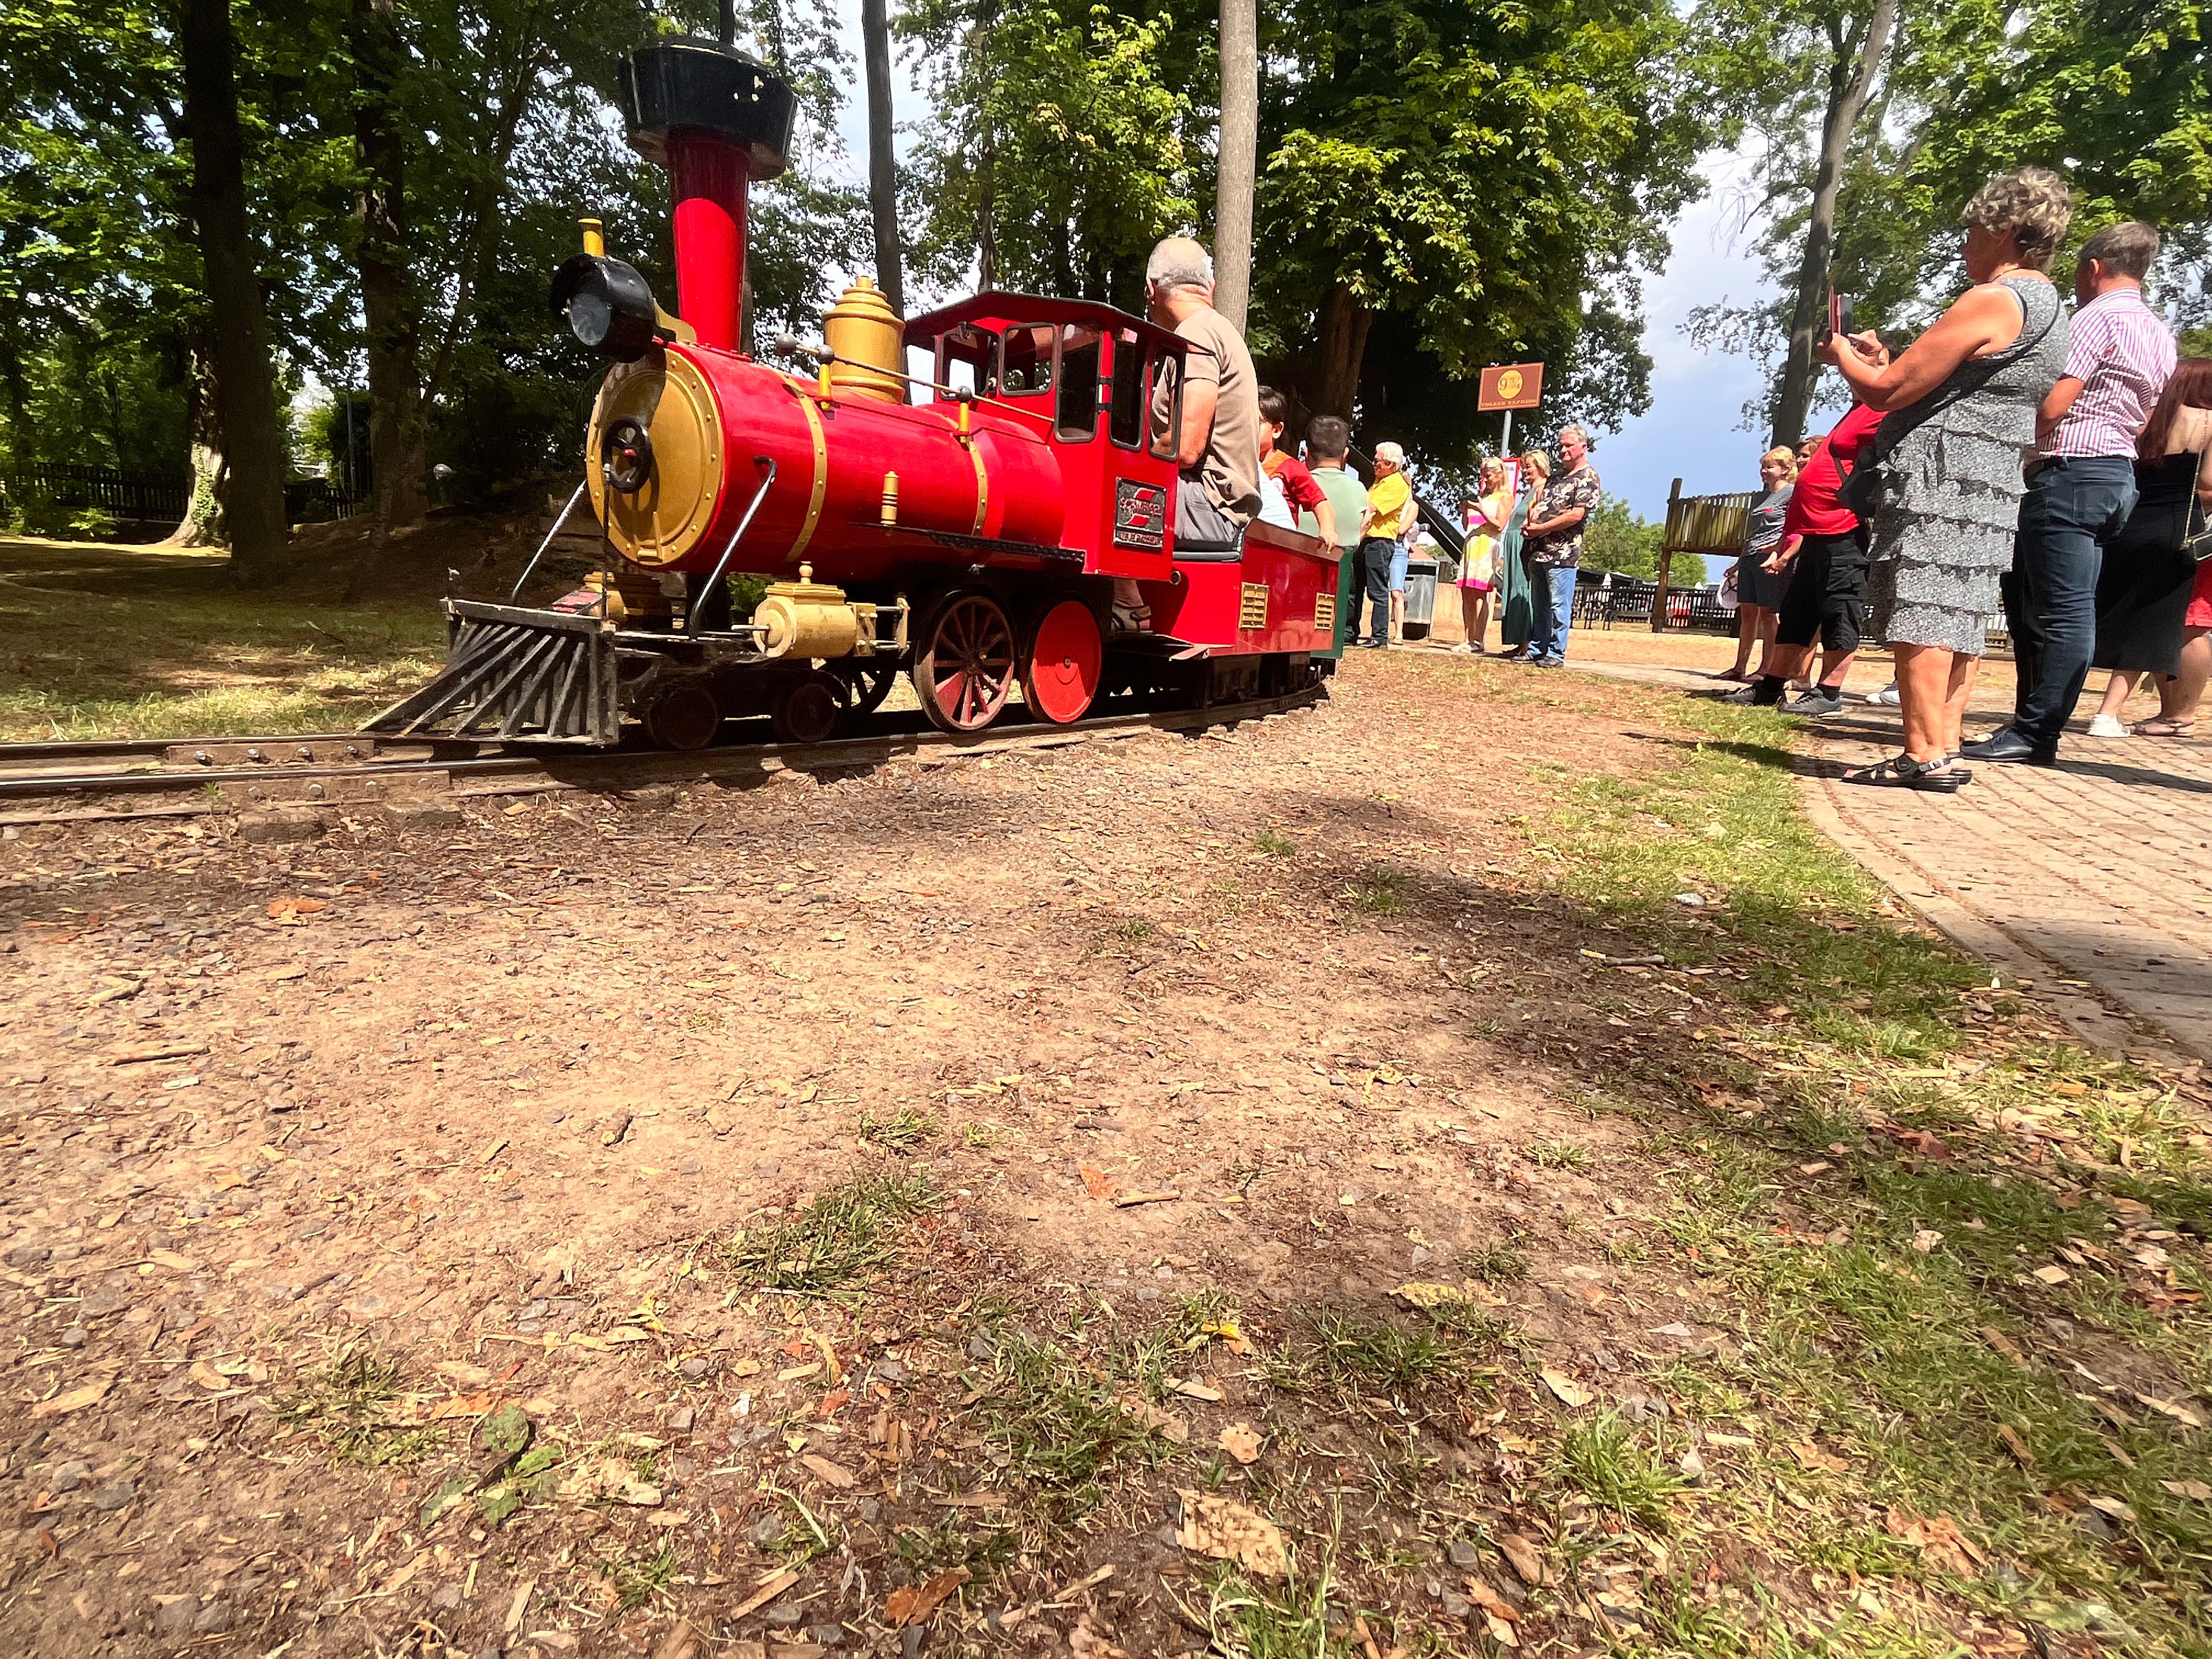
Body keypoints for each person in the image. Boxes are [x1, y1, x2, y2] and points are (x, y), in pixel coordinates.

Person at [1821, 166, 2074, 789]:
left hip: (1941, 473)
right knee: (1958, 611)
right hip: (1989, 478)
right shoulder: (2053, 309)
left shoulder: (1994, 298)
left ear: (2007, 229)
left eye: (1971, 230)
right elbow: (2012, 399)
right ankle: (1945, 746)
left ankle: (1921, 753)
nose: (1963, 244)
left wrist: (1843, 356)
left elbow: (1887, 393)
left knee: (1921, 609)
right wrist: (1884, 363)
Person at [1967, 221, 2175, 764]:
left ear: (2094, 269)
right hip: (2116, 476)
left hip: (2069, 472)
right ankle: (2036, 727)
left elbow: (2054, 406)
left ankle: (2037, 732)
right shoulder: (2159, 334)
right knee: (2071, 610)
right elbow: (2146, 417)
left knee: (2063, 615)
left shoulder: (2091, 320)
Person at [1126, 237, 1261, 631]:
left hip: (1209, 506)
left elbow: (1185, 448)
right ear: (1211, 288)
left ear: (1151, 290)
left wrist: (1133, 456)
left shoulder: (1198, 335)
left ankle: (1126, 604)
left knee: (1097, 491)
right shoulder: (1217, 329)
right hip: (1213, 505)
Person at [2083, 357, 2212, 738]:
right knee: (2166, 623)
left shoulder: (2146, 420)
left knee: (2121, 616)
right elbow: (2207, 482)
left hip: (2127, 525)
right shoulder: (2207, 424)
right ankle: (2113, 714)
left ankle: (2157, 712)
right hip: (2176, 531)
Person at [1739, 400, 1884, 712]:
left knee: (1840, 611)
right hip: (1815, 539)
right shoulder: (1857, 410)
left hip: (1845, 532)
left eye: (1808, 455)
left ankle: (1829, 693)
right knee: (1797, 613)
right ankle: (1771, 687)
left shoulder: (1885, 406)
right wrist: (1783, 545)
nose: (1802, 460)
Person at [1521, 426, 1600, 667]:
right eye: (1560, 446)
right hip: (1539, 551)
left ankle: (1556, 654)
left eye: (1569, 445)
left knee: (1559, 606)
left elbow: (1576, 515)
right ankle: (1538, 648)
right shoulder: (1555, 477)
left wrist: (1543, 528)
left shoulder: (1589, 478)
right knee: (1540, 604)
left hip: (1563, 554)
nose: (1563, 450)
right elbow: (1539, 505)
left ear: (1583, 447)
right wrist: (1530, 521)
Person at [1722, 447, 1799, 680]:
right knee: (1747, 615)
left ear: (1785, 470)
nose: (1764, 471)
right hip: (1749, 558)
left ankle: (1767, 669)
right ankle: (1739, 667)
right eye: (1762, 467)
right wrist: (1738, 563)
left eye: (1769, 467)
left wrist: (1779, 553)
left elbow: (1793, 528)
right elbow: (1753, 532)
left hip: (1770, 559)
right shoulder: (1760, 497)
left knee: (1769, 615)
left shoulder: (1792, 494)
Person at [1299, 416, 1371, 650]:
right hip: (1339, 583)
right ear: (1346, 454)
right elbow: (1355, 537)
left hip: (1298, 577)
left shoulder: (1294, 485)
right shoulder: (1358, 490)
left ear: (1307, 453)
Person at [1355, 442, 1417, 648]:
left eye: (1377, 461)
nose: (1374, 464)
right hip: (1365, 540)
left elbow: (1370, 508)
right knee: (1355, 589)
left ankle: (1379, 635)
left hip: (1380, 542)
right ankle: (1350, 631)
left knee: (1377, 590)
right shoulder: (1378, 482)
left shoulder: (1396, 484)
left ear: (1390, 463)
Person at [1257, 386, 1337, 547]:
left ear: (1277, 430)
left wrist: (1328, 530)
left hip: (1280, 544)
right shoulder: (1235, 463)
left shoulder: (1290, 467)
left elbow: (1319, 501)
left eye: (1256, 423)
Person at [1453, 459, 1511, 652]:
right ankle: (1468, 637)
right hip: (1471, 544)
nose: (1484, 479)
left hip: (1487, 546)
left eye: (1488, 475)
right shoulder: (1482, 496)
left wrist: (1481, 509)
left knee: (1480, 594)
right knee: (1467, 593)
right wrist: (1465, 511)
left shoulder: (1504, 497)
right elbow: (1467, 526)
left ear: (1499, 474)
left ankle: (1478, 640)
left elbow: (1500, 525)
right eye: (1483, 475)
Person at [1498, 451, 1548, 658]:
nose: (1526, 470)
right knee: (1512, 590)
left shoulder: (1543, 489)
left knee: (1523, 590)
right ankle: (1519, 642)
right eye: (1525, 466)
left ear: (1541, 466)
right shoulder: (1529, 490)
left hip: (1523, 545)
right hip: (1512, 544)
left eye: (1530, 466)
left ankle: (1528, 644)